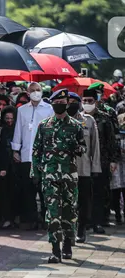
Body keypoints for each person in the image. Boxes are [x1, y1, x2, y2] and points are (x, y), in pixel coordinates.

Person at [31, 88, 86, 263]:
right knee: (53, 213)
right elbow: (36, 150)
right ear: (52, 104)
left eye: (63, 104)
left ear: (67, 105)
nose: (59, 106)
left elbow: (83, 147)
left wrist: (75, 147)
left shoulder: (75, 126)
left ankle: (68, 245)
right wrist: (38, 170)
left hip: (69, 176)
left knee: (69, 212)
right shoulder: (44, 125)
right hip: (50, 176)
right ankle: (55, 250)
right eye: (57, 103)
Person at [11, 82, 54, 230]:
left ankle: (46, 219)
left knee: (44, 189)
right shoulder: (22, 110)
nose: (36, 92)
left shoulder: (49, 109)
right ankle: (30, 219)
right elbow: (18, 131)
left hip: (43, 156)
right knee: (28, 190)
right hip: (26, 156)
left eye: (38, 90)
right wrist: (15, 149)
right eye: (33, 90)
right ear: (28, 93)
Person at [81, 89, 119, 234]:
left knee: (99, 192)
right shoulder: (78, 118)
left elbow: (111, 140)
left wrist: (113, 160)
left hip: (101, 161)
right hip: (83, 162)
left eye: (90, 101)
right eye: (84, 101)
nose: (87, 104)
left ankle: (98, 221)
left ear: (95, 101)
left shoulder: (104, 118)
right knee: (84, 194)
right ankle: (85, 222)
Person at [67, 92, 101, 243]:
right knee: (66, 201)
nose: (71, 104)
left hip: (83, 169)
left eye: (74, 101)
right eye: (69, 102)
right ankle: (68, 229)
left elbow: (95, 147)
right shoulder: (59, 121)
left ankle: (81, 229)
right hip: (65, 170)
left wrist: (95, 168)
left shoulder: (88, 120)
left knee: (83, 201)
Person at [0, 106, 17, 228]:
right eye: (7, 118)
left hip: (15, 165)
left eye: (11, 118)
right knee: (4, 193)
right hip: (4, 166)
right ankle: (6, 217)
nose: (9, 120)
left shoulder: (16, 129)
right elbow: (1, 149)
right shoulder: (1, 130)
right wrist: (3, 168)